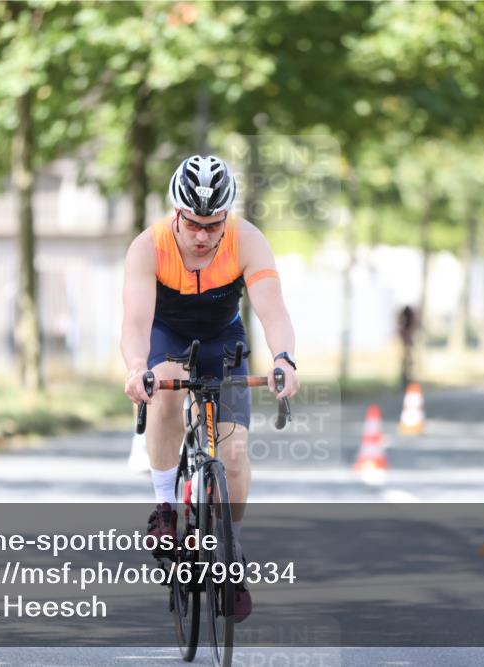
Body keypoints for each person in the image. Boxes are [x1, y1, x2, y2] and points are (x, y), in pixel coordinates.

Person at [120, 155, 300, 622]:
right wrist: (138, 367)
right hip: (167, 335)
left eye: (213, 224)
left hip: (224, 338)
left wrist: (284, 360)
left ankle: (231, 549)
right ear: (176, 214)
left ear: (226, 218)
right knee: (163, 392)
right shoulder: (148, 247)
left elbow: (273, 312)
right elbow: (136, 321)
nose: (203, 235)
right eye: (194, 224)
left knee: (235, 451)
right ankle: (164, 506)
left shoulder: (247, 240)